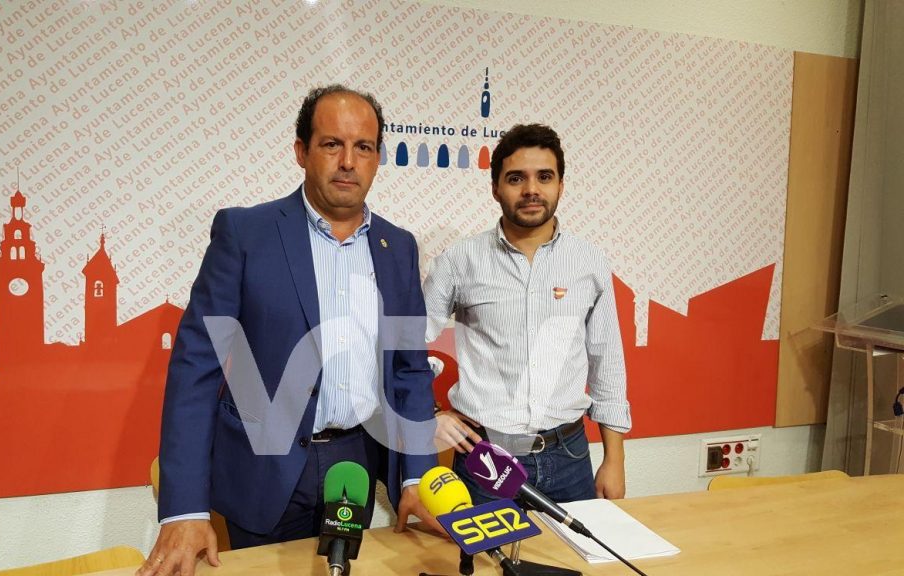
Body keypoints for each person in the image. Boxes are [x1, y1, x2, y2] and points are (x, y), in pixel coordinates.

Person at [139, 85, 439, 576]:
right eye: (331, 144)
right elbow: (197, 367)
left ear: (378, 158)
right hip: (265, 468)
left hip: (355, 465)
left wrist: (417, 476)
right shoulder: (245, 233)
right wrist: (185, 510)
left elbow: (408, 371)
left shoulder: (398, 247)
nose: (348, 162)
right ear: (301, 151)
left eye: (363, 147)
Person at [424, 123, 630, 506]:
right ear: (495, 188)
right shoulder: (459, 261)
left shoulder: (589, 262)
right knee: (484, 549)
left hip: (570, 456)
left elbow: (607, 362)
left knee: (576, 547)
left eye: (544, 177)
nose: (531, 189)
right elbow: (406, 345)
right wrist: (431, 412)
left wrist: (614, 459)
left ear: (561, 186)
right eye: (516, 178)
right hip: (485, 460)